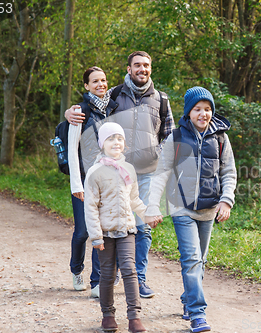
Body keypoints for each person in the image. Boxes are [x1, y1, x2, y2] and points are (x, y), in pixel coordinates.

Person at [66, 51, 175, 298]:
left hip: (146, 173)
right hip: (113, 173)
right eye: (137, 65)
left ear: (151, 68)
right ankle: (107, 273)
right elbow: (90, 105)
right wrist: (69, 113)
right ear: (128, 69)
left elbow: (170, 135)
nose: (142, 69)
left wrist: (156, 153)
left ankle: (138, 279)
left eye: (146, 65)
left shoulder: (162, 99)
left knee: (142, 227)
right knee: (106, 225)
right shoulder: (114, 95)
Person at [145, 87, 237, 333]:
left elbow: (228, 172)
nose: (203, 114)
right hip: (181, 208)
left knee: (201, 259)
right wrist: (153, 206)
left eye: (207, 109)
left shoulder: (220, 138)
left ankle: (188, 298)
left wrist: (226, 200)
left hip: (208, 210)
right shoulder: (175, 138)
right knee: (192, 259)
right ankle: (198, 313)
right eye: (198, 109)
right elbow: (161, 173)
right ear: (188, 112)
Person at [85, 122, 160, 332]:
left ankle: (134, 316)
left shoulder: (129, 169)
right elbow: (90, 207)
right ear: (102, 144)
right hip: (106, 233)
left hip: (127, 229)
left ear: (124, 144)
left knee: (129, 269)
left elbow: (134, 199)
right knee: (107, 274)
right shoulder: (95, 172)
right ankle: (107, 314)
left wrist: (147, 216)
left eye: (119, 139)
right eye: (110, 139)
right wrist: (96, 236)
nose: (116, 143)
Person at [68, 66, 119, 298]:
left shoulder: (113, 108)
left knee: (103, 231)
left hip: (107, 183)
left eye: (104, 80)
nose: (101, 84)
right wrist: (76, 185)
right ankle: (76, 270)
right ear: (86, 86)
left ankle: (98, 281)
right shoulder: (80, 112)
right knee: (82, 232)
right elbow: (72, 151)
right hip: (84, 182)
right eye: (95, 81)